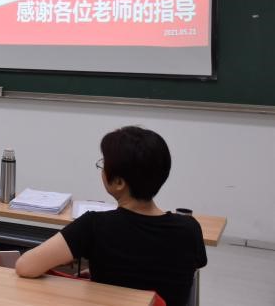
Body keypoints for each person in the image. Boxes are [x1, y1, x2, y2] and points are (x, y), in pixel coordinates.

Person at [15, 126, 207, 306]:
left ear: (119, 182)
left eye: (104, 164)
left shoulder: (94, 226)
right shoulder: (190, 228)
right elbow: (158, 269)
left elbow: (25, 266)